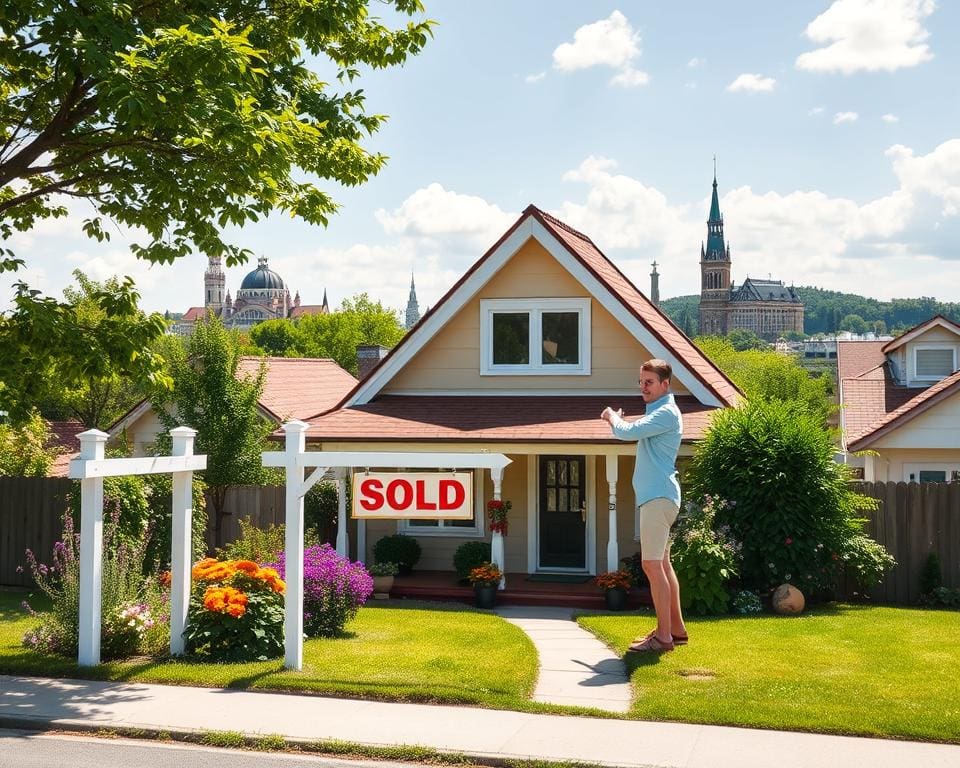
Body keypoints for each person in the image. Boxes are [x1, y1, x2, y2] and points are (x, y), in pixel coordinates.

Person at [600, 359, 688, 652]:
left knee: (651, 565)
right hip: (660, 497)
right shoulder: (661, 413)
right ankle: (675, 630)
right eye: (641, 382)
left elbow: (625, 432)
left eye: (649, 382)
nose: (643, 387)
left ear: (665, 384)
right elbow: (633, 429)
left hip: (657, 499)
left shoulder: (665, 413)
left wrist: (612, 416)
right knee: (662, 564)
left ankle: (663, 639)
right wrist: (623, 422)